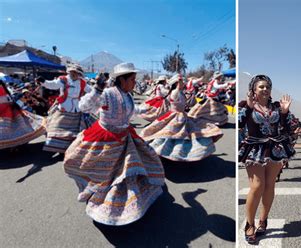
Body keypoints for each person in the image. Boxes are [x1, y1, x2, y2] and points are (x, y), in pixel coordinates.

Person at [63, 62, 165, 225]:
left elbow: (133, 110)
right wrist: (97, 90)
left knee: (133, 167)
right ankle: (105, 206)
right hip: (106, 138)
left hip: (125, 136)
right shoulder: (108, 93)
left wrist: (150, 108)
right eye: (132, 79)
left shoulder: (128, 95)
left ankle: (128, 202)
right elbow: (84, 106)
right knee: (107, 175)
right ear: (122, 80)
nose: (134, 82)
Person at [238, 75, 295, 244]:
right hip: (255, 149)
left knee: (270, 184)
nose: (265, 89)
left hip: (276, 148)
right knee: (257, 185)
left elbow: (290, 127)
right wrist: (248, 108)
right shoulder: (245, 105)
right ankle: (249, 224)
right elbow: (239, 124)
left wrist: (284, 113)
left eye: (267, 87)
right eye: (261, 86)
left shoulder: (277, 107)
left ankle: (263, 220)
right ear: (253, 90)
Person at [140, 74, 223, 162]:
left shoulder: (179, 92)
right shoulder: (175, 92)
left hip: (181, 115)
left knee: (183, 134)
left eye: (183, 81)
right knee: (172, 134)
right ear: (176, 83)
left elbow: (184, 103)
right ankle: (167, 152)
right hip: (176, 116)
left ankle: (178, 152)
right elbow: (177, 103)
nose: (183, 83)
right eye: (181, 81)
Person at [41, 64, 93, 153]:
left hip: (77, 108)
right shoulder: (63, 80)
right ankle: (54, 146)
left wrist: (100, 89)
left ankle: (69, 148)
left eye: (76, 73)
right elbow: (53, 85)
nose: (74, 74)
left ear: (79, 74)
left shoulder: (82, 82)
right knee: (56, 127)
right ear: (69, 72)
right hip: (63, 106)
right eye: (72, 72)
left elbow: (91, 91)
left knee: (74, 130)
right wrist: (44, 82)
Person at [0, 80, 46, 150]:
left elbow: (4, 102)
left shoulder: (2, 89)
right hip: (9, 110)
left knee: (9, 129)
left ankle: (14, 145)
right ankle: (15, 145)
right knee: (19, 126)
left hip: (7, 111)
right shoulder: (4, 89)